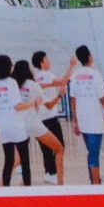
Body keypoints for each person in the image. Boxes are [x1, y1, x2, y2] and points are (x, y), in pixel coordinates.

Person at [66, 45, 104, 185]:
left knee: (91, 152)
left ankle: (93, 180)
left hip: (83, 121)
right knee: (94, 154)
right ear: (89, 57)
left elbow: (72, 99)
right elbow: (103, 99)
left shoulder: (75, 76)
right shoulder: (96, 75)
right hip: (95, 121)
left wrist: (75, 121)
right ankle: (96, 184)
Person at [0, 55, 33, 186]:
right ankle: (28, 191)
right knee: (24, 160)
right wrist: (34, 103)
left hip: (3, 126)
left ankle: (6, 192)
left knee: (8, 161)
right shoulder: (11, 82)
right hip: (16, 125)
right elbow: (18, 106)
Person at [31, 49, 68, 181]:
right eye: (46, 59)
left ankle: (49, 173)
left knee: (46, 147)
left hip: (39, 117)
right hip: (50, 117)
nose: (49, 61)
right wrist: (71, 67)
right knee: (60, 145)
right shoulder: (47, 75)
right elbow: (62, 81)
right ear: (42, 63)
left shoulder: (35, 77)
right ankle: (53, 172)